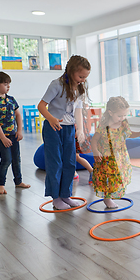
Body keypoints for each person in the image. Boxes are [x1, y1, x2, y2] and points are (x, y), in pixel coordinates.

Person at [37, 55, 90, 210]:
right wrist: (51, 119)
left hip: (69, 129)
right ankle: (55, 198)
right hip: (53, 128)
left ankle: (65, 195)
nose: (83, 80)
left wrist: (79, 129)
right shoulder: (56, 85)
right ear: (71, 71)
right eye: (81, 76)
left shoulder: (79, 87)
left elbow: (78, 110)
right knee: (55, 163)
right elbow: (41, 106)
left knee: (70, 162)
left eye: (85, 77)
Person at [91, 96, 140, 209]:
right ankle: (107, 199)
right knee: (108, 178)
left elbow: (129, 134)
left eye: (125, 115)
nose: (122, 118)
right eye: (120, 115)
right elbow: (94, 140)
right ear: (110, 113)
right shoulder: (103, 126)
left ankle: (112, 195)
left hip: (120, 157)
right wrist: (96, 152)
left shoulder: (123, 124)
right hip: (107, 158)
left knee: (118, 177)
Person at [0, 71, 31, 194]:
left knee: (16, 158)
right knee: (6, 159)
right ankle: (0, 183)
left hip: (13, 134)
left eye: (9, 84)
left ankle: (18, 181)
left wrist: (19, 131)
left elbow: (18, 114)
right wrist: (3, 138)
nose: (8, 86)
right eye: (5, 84)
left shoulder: (11, 100)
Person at [74, 100, 93, 184]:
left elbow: (78, 125)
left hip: (76, 135)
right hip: (75, 134)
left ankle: (92, 171)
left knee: (75, 156)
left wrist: (77, 132)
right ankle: (74, 173)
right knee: (73, 157)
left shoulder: (77, 114)